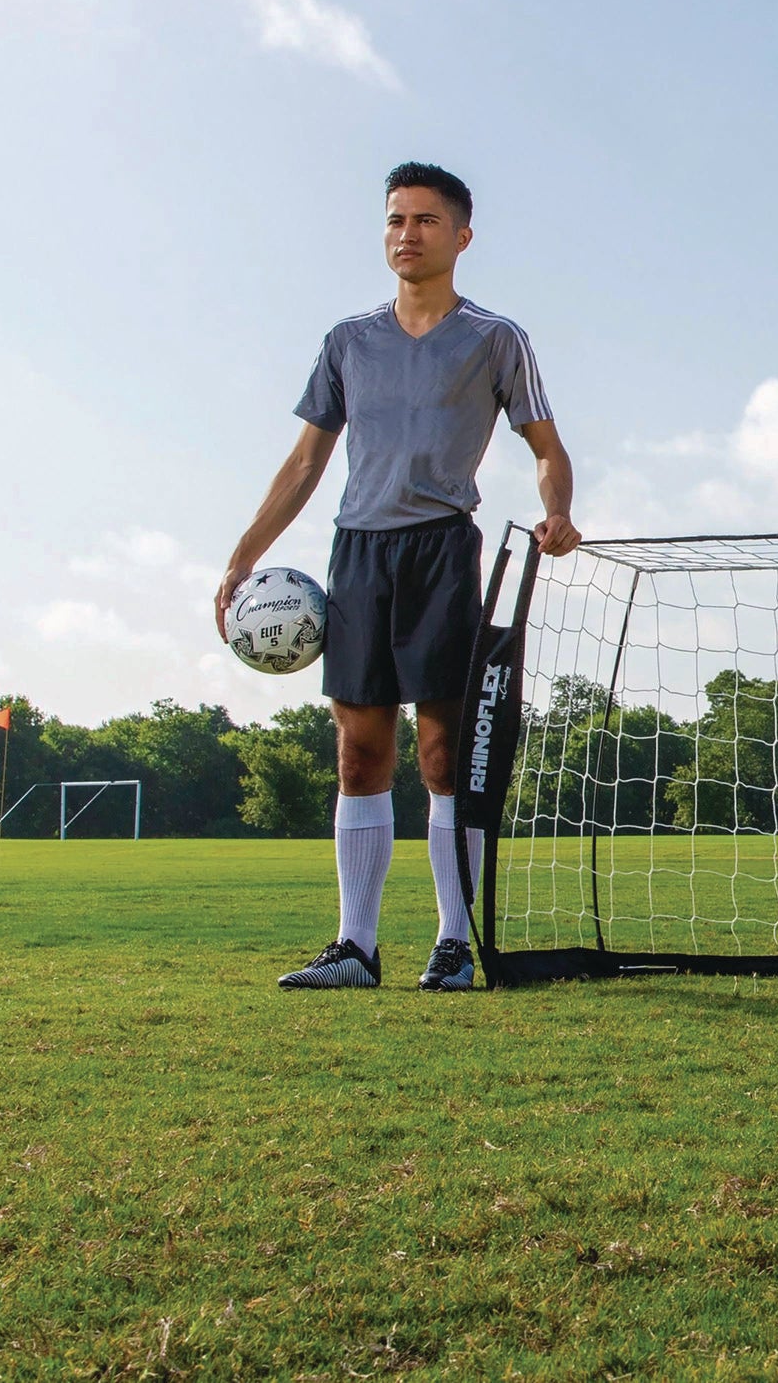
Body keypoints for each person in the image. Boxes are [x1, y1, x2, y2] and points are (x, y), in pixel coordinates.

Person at [215, 162, 580, 992]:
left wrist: (556, 511)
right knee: (358, 751)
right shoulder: (349, 341)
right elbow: (307, 460)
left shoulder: (495, 338)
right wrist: (243, 556)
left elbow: (547, 448)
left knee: (443, 752)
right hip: (359, 555)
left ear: (461, 236)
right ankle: (356, 947)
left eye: (422, 220)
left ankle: (454, 944)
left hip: (442, 550)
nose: (405, 234)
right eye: (394, 220)